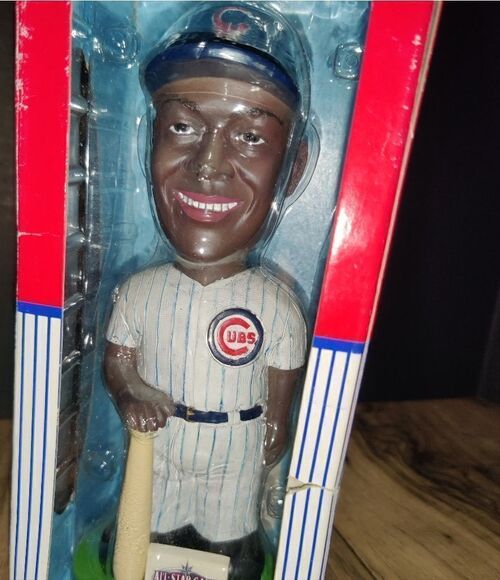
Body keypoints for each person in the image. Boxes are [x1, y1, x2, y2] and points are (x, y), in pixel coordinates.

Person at [104, 4, 309, 577]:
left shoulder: (274, 302)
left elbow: (284, 369)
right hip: (162, 441)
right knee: (149, 526)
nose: (208, 165)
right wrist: (130, 394)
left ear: (292, 169)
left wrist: (278, 421)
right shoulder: (140, 291)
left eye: (250, 136)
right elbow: (118, 360)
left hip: (235, 443)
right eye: (182, 127)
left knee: (230, 540)